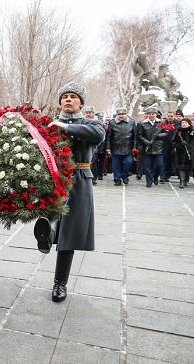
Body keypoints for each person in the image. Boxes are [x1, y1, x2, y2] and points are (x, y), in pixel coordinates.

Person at [33, 82, 105, 302]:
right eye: (64, 96)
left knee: (70, 234)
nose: (68, 99)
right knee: (53, 216)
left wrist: (65, 128)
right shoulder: (50, 124)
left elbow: (97, 135)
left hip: (79, 180)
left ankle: (60, 283)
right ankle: (47, 233)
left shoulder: (90, 123)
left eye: (73, 96)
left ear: (81, 102)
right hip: (53, 179)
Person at [136, 106, 168, 188]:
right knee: (147, 166)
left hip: (158, 147)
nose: (151, 115)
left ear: (156, 114)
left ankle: (155, 176)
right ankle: (149, 181)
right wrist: (146, 142)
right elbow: (139, 135)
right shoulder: (141, 123)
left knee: (159, 165)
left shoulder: (162, 122)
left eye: (153, 114)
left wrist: (158, 135)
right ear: (147, 115)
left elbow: (166, 133)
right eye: (149, 114)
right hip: (146, 147)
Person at [106, 107, 136, 186]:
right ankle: (117, 179)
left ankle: (125, 176)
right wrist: (108, 148)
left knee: (128, 163)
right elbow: (108, 136)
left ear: (126, 114)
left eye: (123, 114)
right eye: (119, 114)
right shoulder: (112, 123)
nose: (121, 116)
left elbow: (135, 136)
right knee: (116, 165)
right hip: (115, 147)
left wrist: (135, 147)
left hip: (128, 147)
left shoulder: (132, 122)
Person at [174, 118, 193, 188]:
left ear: (189, 123)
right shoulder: (178, 131)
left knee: (188, 167)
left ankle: (186, 180)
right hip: (181, 153)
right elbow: (173, 142)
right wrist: (180, 144)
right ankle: (182, 181)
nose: (184, 124)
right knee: (181, 167)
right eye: (182, 123)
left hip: (190, 152)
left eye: (185, 122)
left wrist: (189, 145)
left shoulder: (192, 131)